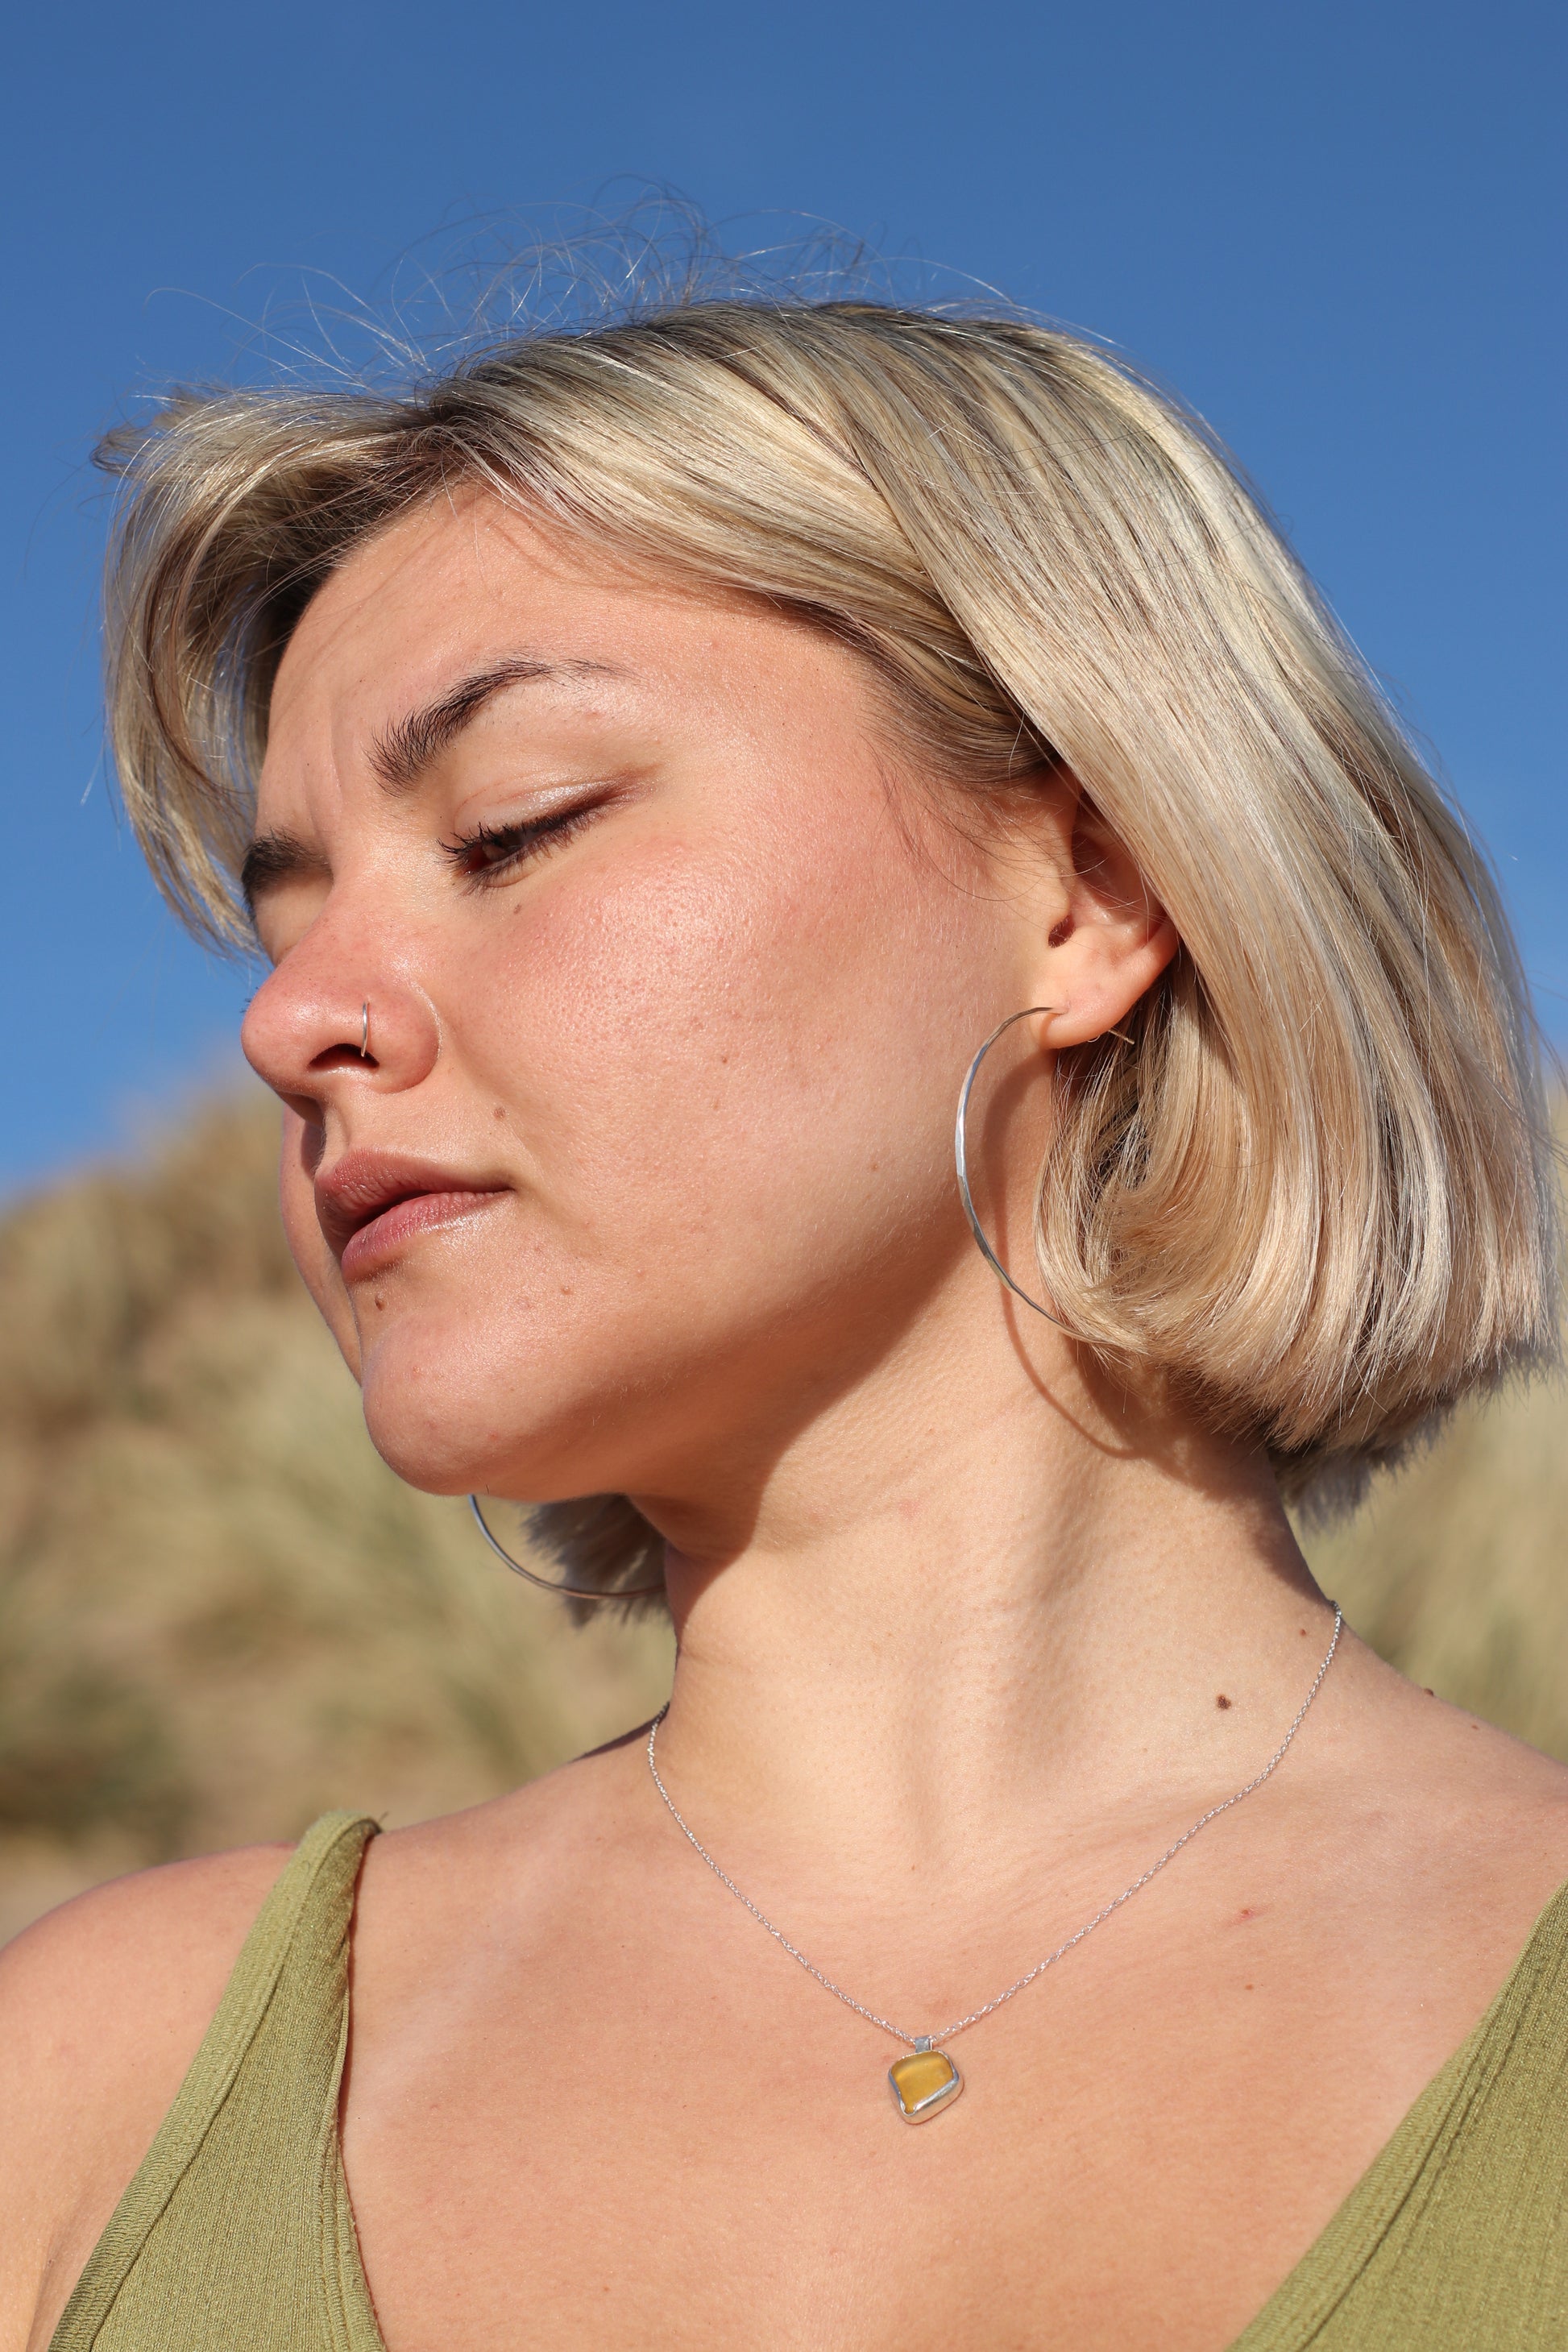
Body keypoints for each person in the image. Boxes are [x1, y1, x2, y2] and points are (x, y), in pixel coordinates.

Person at [2, 294, 1562, 2352]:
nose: (292, 1024)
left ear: (1091, 886)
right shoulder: (93, 2088)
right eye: (286, 926)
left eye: (514, 826)